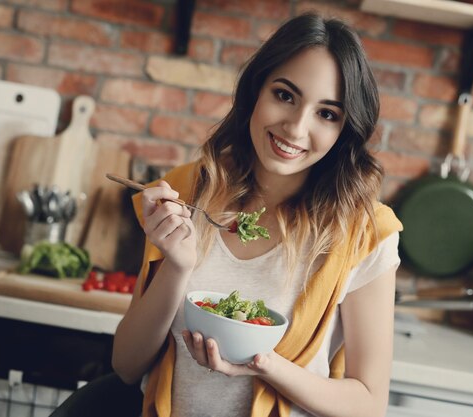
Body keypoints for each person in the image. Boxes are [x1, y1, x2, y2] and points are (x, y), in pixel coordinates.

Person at [112, 12, 403, 417]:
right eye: (285, 95)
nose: (296, 128)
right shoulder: (188, 191)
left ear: (344, 130)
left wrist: (261, 363)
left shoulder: (363, 232)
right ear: (256, 92)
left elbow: (369, 405)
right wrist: (177, 266)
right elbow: (126, 366)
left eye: (327, 113)